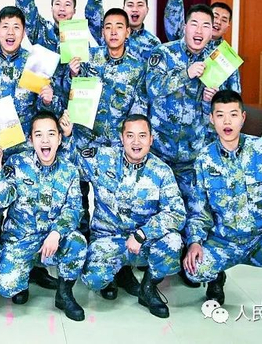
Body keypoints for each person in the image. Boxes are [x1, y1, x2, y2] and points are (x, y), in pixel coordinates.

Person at [183, 90, 262, 333]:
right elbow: (199, 209)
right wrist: (195, 242)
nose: (227, 121)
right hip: (224, 240)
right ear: (211, 119)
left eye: (233, 115)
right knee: (195, 269)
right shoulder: (204, 159)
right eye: (220, 115)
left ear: (243, 117)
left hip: (261, 238)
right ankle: (216, 278)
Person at [63, 112, 185, 318]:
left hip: (143, 241)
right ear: (122, 138)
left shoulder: (161, 171)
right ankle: (114, 274)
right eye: (130, 136)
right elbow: (71, 164)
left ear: (151, 139)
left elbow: (177, 213)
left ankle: (148, 287)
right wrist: (67, 137)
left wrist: (143, 234)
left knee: (173, 241)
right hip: (108, 239)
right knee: (93, 279)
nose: (136, 142)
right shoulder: (103, 158)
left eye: (142, 136)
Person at [0, 111, 87, 322]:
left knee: (77, 242)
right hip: (21, 238)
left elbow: (74, 209)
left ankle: (64, 293)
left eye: (51, 134)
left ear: (59, 139)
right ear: (31, 140)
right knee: (5, 285)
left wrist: (57, 232)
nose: (45, 140)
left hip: (52, 239)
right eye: (39, 135)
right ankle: (25, 274)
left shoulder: (69, 170)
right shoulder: (17, 163)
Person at [145, 3, 214, 286]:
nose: (199, 30)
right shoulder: (163, 53)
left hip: (194, 154)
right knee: (154, 208)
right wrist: (186, 73)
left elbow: (231, 107)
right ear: (184, 26)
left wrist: (213, 100)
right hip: (159, 152)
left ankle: (191, 259)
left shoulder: (219, 61)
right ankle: (152, 260)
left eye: (206, 26)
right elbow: (151, 88)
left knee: (195, 209)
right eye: (194, 24)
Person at [65, 8, 147, 240]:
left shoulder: (137, 67)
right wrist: (72, 74)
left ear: (128, 32)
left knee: (114, 204)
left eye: (119, 27)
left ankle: (110, 246)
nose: (113, 32)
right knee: (78, 198)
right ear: (102, 32)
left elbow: (139, 110)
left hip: (115, 148)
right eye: (108, 27)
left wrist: (131, 144)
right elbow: (67, 91)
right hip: (84, 141)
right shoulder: (88, 57)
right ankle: (79, 243)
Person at [0, 6, 60, 164]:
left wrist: (47, 101)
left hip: (26, 153)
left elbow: (43, 112)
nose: (10, 33)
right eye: (5, 27)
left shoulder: (34, 63)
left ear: (23, 33)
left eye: (16, 27)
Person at [164, 0, 241, 93]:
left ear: (228, 26)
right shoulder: (188, 38)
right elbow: (172, 21)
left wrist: (217, 96)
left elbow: (234, 94)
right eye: (215, 16)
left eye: (224, 20)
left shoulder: (227, 56)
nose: (218, 22)